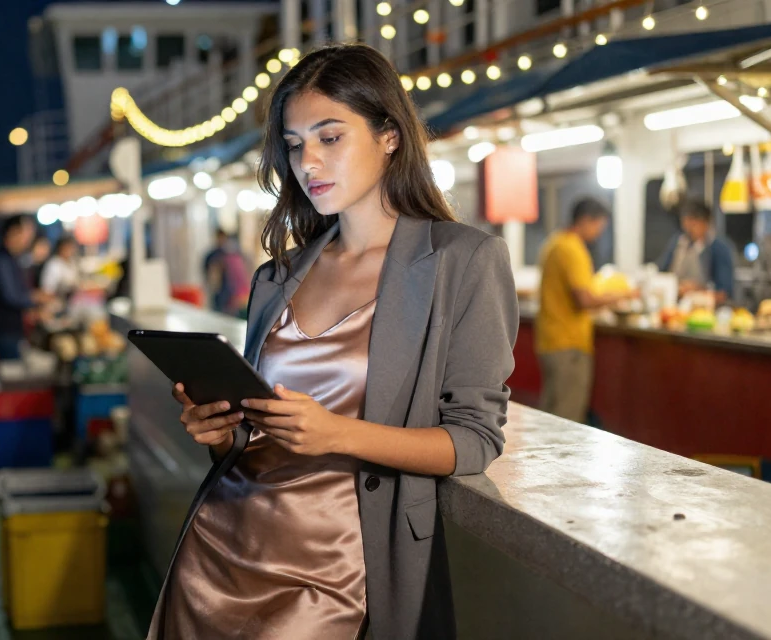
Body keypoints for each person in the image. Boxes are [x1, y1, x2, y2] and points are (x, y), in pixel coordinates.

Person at [147, 44, 518, 640]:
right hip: (222, 549)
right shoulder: (276, 276)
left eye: (330, 137)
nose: (308, 162)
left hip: (336, 570)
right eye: (294, 144)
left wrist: (337, 434)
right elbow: (255, 436)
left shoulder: (462, 261)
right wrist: (221, 435)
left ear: (390, 135)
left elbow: (474, 440)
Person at [535, 198, 635, 423]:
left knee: (550, 414)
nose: (599, 232)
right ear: (586, 221)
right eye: (599, 226)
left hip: (550, 339)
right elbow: (585, 299)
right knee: (567, 418)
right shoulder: (572, 249)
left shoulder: (554, 242)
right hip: (569, 343)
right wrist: (624, 294)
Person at [0, 216, 51, 360]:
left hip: (11, 329)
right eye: (27, 233)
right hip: (3, 330)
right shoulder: (2, 261)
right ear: (13, 232)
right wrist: (35, 297)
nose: (29, 239)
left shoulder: (12, 258)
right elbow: (11, 296)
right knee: (11, 366)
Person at [657, 198, 735, 304]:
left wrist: (697, 290)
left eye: (694, 224)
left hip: (703, 307)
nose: (689, 229)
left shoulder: (718, 249)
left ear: (706, 223)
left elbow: (724, 293)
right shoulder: (678, 242)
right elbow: (661, 272)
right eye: (686, 224)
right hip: (674, 304)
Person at [39, 236, 81, 304]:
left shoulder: (72, 262)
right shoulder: (54, 264)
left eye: (72, 248)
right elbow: (47, 290)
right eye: (67, 248)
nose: (70, 251)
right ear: (60, 248)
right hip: (56, 300)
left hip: (71, 299)